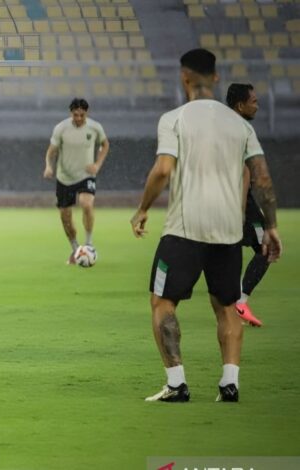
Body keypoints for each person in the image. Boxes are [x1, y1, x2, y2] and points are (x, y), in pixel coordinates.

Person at [130, 49, 281, 403]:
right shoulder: (240, 125)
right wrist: (271, 225)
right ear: (216, 77)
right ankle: (230, 384)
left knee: (163, 302)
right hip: (228, 231)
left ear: (184, 77)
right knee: (227, 305)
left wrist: (142, 209)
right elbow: (261, 176)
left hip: (185, 228)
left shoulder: (174, 119)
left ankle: (177, 383)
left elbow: (164, 169)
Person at [43, 98, 109, 264]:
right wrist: (48, 166)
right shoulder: (61, 128)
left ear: (87, 112)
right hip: (65, 177)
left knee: (86, 204)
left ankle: (88, 244)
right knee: (65, 216)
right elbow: (51, 151)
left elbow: (105, 145)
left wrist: (97, 164)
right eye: (75, 115)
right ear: (70, 113)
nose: (78, 118)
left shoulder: (95, 127)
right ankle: (75, 250)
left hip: (86, 175)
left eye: (82, 115)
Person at [226, 83, 267, 327]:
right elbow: (245, 172)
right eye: (253, 101)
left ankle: (231, 303)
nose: (257, 105)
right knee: (266, 248)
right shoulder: (243, 129)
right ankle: (239, 302)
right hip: (239, 200)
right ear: (240, 105)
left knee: (223, 250)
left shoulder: (219, 126)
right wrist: (240, 209)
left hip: (215, 197)